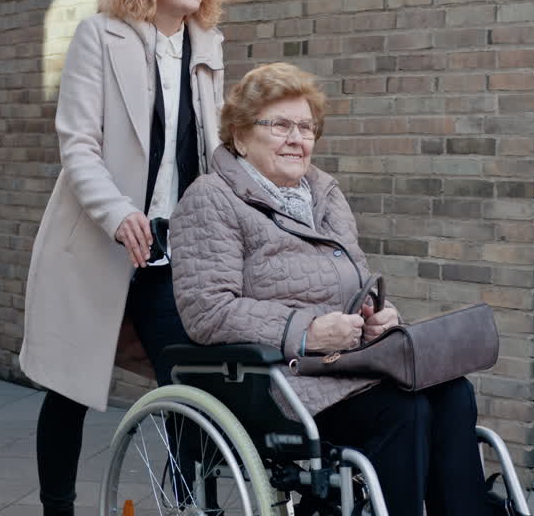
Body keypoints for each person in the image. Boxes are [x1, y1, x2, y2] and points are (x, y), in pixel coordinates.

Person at [170, 62, 505, 516]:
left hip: (350, 366)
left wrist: (376, 317)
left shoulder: (324, 194)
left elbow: (356, 282)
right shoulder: (211, 198)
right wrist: (308, 331)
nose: (297, 138)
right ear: (240, 136)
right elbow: (208, 311)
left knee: (453, 392)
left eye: (306, 127)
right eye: (281, 125)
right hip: (280, 381)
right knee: (405, 412)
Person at [18, 0, 232, 516]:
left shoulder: (207, 47)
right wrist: (116, 212)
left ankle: (190, 506)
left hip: (172, 249)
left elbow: (211, 151)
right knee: (70, 388)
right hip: (99, 242)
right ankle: (57, 508)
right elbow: (78, 145)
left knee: (191, 386)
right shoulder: (99, 36)